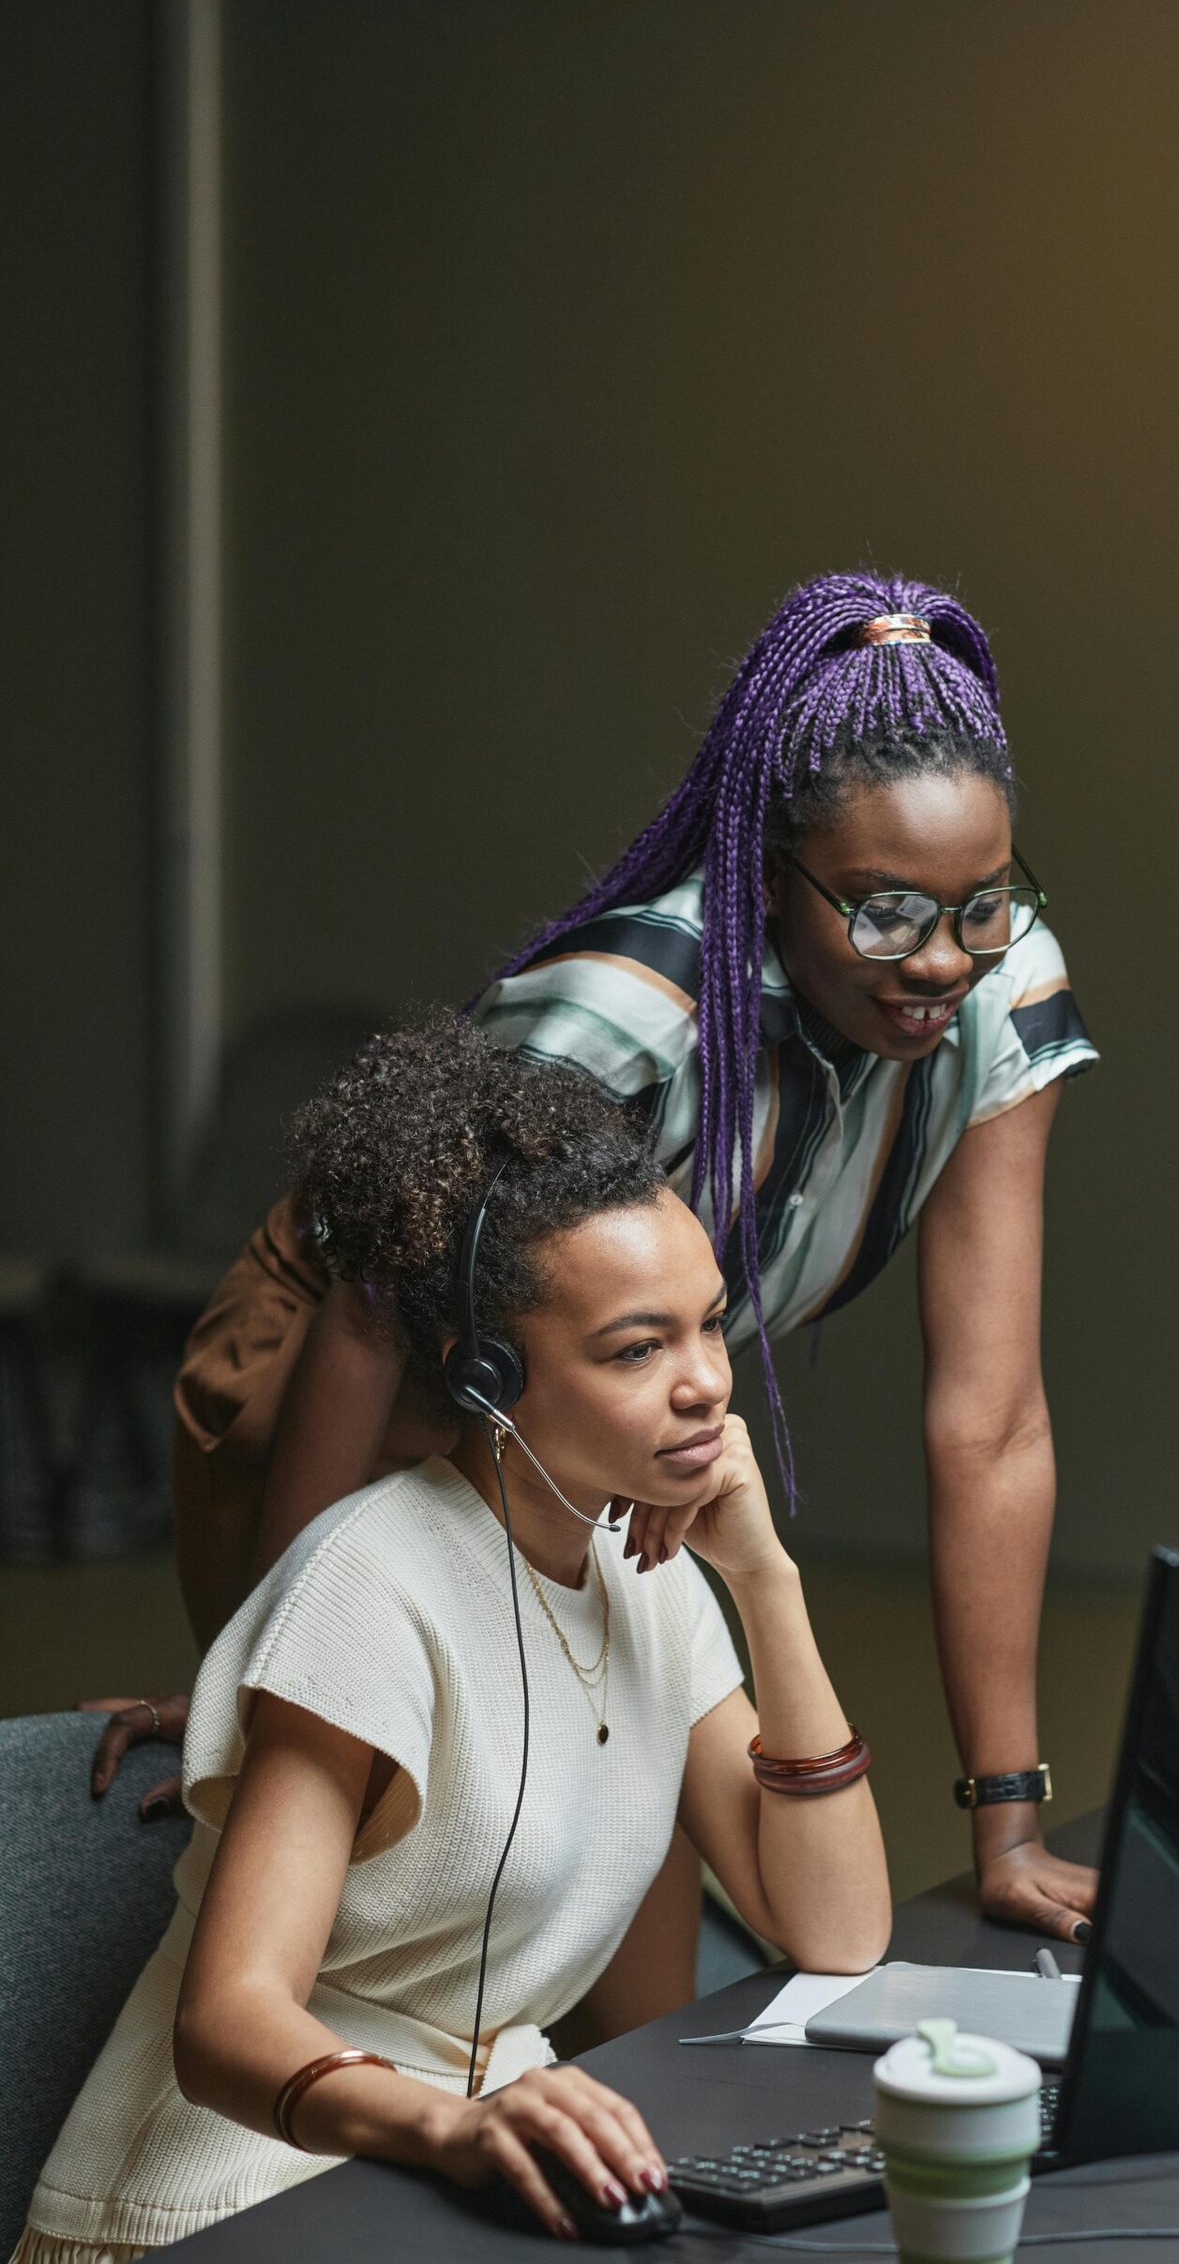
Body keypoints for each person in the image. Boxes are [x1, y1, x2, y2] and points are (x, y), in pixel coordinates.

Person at [92, 568, 1099, 1944]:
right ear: (768, 873)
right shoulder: (624, 1017)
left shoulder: (1001, 982)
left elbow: (990, 1419)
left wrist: (1009, 1819)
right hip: (359, 1367)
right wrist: (271, 1684)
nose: (940, 959)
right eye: (882, 912)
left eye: (981, 903)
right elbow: (377, 1319)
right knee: (403, 1864)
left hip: (592, 1416)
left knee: (619, 1876)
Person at [16, 1023, 889, 2264]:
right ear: (485, 1374)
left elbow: (838, 1930)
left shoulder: (651, 1576)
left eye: (706, 1326)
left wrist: (766, 1580)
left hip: (455, 2174)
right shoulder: (372, 1584)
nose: (704, 1383)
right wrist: (453, 2127)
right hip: (226, 2201)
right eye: (638, 1348)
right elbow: (227, 2024)